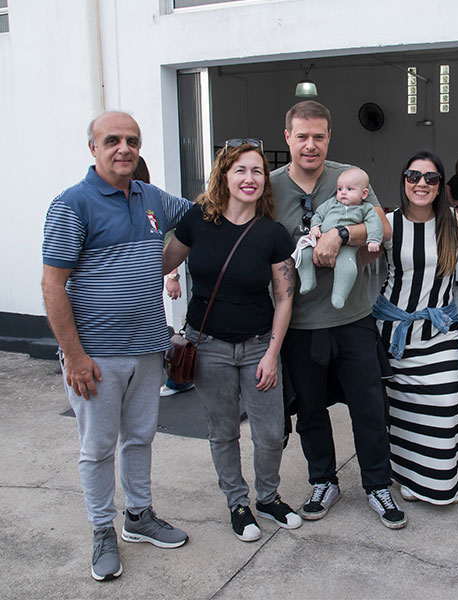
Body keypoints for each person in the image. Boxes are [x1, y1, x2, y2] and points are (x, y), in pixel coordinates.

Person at [41, 111, 189, 581]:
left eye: (132, 140)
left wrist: (245, 180)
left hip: (147, 346)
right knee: (98, 446)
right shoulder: (73, 204)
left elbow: (199, 218)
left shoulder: (151, 197)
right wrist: (75, 356)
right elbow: (52, 286)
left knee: (140, 437)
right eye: (112, 140)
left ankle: (139, 516)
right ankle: (102, 529)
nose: (124, 148)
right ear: (93, 148)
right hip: (96, 356)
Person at [271, 101, 407, 529]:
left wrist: (341, 233)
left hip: (353, 318)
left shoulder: (349, 177)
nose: (310, 145)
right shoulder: (270, 187)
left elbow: (384, 229)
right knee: (310, 411)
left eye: (319, 136)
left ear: (329, 137)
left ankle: (377, 485)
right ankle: (323, 481)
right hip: (300, 323)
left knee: (369, 407)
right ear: (288, 137)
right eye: (302, 136)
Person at [162, 139, 300, 542]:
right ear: (224, 176)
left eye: (257, 171)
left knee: (270, 433)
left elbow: (285, 297)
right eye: (240, 170)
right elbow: (164, 261)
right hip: (207, 347)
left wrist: (272, 353)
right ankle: (238, 503)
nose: (249, 178)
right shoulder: (197, 221)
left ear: (265, 181)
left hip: (258, 346)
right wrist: (169, 277)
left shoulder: (272, 233)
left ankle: (268, 497)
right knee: (223, 431)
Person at [371, 150, 458, 505]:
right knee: (402, 412)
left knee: (443, 408)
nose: (422, 183)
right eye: (414, 176)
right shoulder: (387, 223)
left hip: (440, 330)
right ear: (404, 180)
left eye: (431, 178)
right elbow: (356, 261)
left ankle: (439, 478)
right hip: (395, 334)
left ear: (440, 184)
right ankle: (409, 476)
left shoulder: (454, 221)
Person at [131, 156, 195, 397]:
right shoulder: (80, 203)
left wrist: (172, 275)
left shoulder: (154, 203)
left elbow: (192, 217)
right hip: (107, 338)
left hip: (147, 327)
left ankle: (177, 379)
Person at [294, 167, 383, 309]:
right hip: (320, 239)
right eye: (340, 189)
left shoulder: (366, 209)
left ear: (364, 194)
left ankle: (339, 295)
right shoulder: (332, 203)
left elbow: (375, 223)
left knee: (348, 268)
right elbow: (318, 215)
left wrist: (374, 239)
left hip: (347, 246)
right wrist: (315, 227)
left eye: (349, 189)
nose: (343, 193)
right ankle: (308, 279)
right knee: (303, 252)